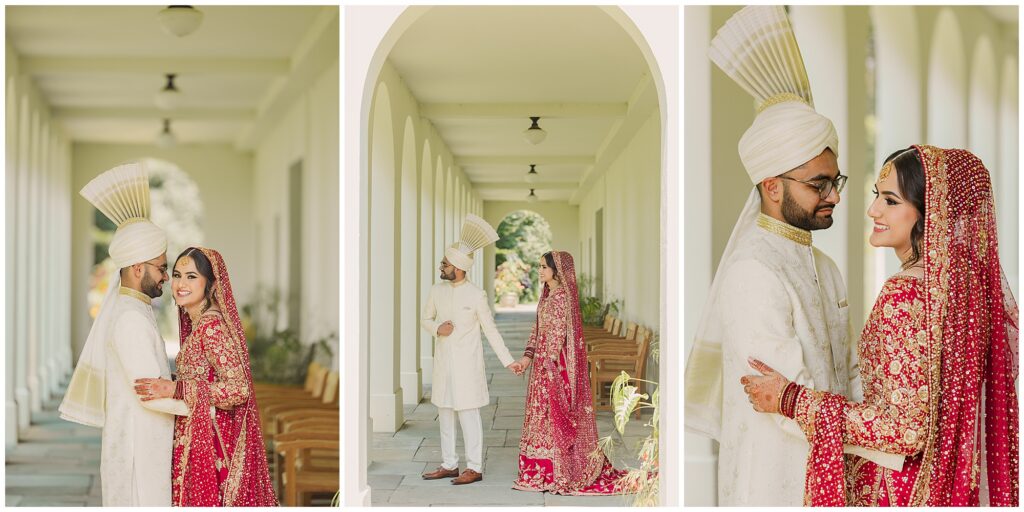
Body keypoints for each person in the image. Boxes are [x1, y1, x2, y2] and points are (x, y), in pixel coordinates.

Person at [742, 146, 1019, 506]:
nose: (873, 210)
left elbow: (906, 431)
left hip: (899, 489)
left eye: (890, 201)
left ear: (931, 212)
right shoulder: (967, 286)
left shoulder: (905, 294)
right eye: (877, 196)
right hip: (947, 481)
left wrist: (792, 399)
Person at [683, 5, 862, 506]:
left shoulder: (825, 268)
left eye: (835, 181)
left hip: (838, 467)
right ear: (772, 186)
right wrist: (883, 430)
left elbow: (850, 372)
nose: (834, 196)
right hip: (776, 478)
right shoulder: (752, 271)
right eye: (818, 184)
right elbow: (787, 400)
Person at [60, 161, 188, 506]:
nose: (166, 277)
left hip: (145, 443)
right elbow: (152, 394)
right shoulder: (130, 319)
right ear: (137, 268)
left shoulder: (137, 309)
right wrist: (209, 408)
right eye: (161, 268)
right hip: (138, 450)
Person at [134, 247, 278, 506]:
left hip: (214, 448)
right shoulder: (199, 324)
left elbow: (238, 389)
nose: (181, 284)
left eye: (192, 276)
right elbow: (204, 375)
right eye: (177, 275)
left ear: (211, 285)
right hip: (198, 439)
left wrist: (176, 389)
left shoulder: (212, 327)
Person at [510, 251, 626, 495]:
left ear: (557, 270)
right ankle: (538, 469)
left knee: (555, 416)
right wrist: (527, 358)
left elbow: (559, 334)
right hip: (542, 366)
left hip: (555, 368)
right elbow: (537, 329)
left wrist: (549, 364)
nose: (540, 270)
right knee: (541, 415)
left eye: (544, 267)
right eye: (539, 266)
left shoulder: (563, 297)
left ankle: (557, 472)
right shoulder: (547, 295)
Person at [420, 214, 521, 485]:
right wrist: (437, 328)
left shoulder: (476, 295)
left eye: (445, 263)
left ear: (458, 267)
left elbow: (491, 330)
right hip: (443, 364)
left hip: (467, 367)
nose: (441, 266)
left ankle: (474, 468)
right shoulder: (437, 290)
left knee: (468, 416)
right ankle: (449, 464)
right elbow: (425, 319)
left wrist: (508, 361)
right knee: (444, 413)